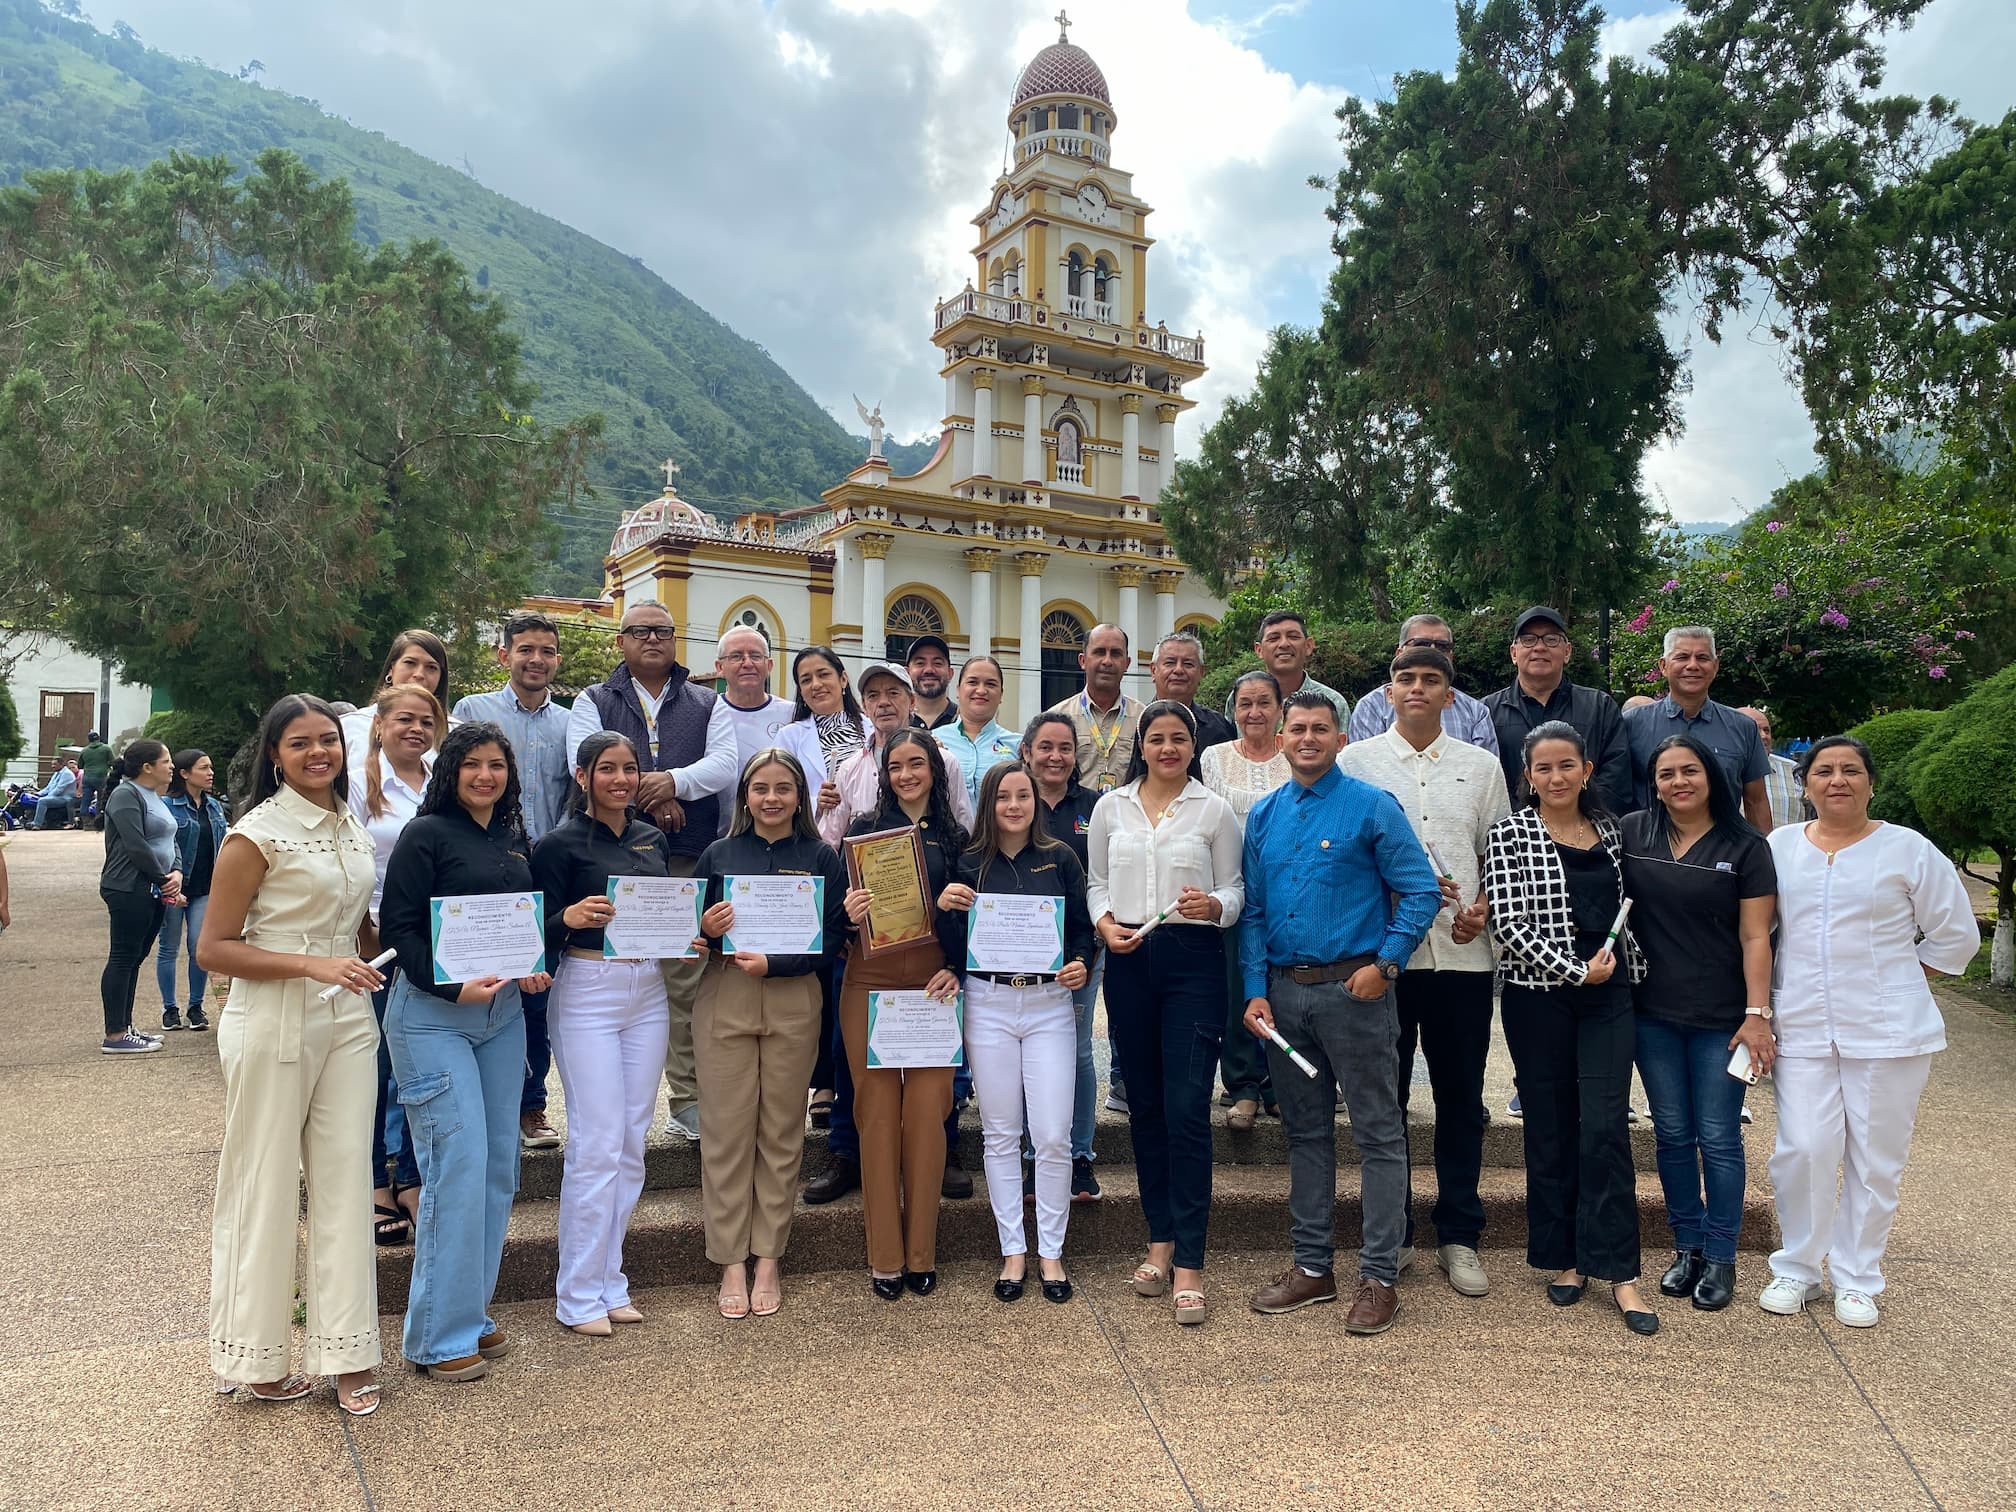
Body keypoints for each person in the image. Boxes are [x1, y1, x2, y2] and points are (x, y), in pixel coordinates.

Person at [197, 695, 386, 1415]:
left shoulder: (352, 827)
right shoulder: (255, 834)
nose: (318, 753)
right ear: (275, 754)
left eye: (328, 740)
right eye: (300, 742)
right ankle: (254, 1356)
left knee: (345, 1181)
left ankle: (348, 1354)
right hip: (272, 1018)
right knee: (265, 1183)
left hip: (348, 1020)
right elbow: (214, 948)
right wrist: (313, 965)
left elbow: (359, 928)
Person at [1758, 734, 1978, 1329]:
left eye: (1851, 770)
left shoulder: (1907, 849)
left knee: (1875, 1159)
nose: (1838, 780)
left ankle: (1857, 1278)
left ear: (1871, 783)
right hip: (1802, 1023)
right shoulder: (1780, 847)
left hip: (1889, 1031)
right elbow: (1759, 928)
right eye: (1824, 771)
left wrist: (1904, 974)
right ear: (1805, 785)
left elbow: (1956, 934)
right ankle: (1798, 1268)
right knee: (1803, 1148)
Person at [1239, 692, 1442, 1334]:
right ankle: (1312, 1267)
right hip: (1285, 998)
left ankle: (1380, 1276)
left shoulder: (1373, 806)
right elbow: (1254, 912)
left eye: (1320, 728)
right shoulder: (1265, 815)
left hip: (1355, 994)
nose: (1307, 738)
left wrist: (1386, 965)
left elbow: (1421, 890)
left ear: (1340, 737)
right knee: (1305, 1134)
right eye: (1296, 728)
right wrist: (1254, 989)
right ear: (1280, 737)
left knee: (1378, 1132)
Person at [378, 722, 555, 1380]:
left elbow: (518, 924)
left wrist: (531, 964)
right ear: (450, 770)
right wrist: (452, 988)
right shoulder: (424, 835)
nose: (486, 775)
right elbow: (399, 930)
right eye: (473, 764)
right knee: (457, 1164)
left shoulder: (510, 836)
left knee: (498, 1167)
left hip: (501, 1015)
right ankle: (437, 1335)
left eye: (497, 765)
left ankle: (469, 1312)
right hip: (434, 1018)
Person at [1338, 648, 1512, 1298]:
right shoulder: (1357, 763)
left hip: (1462, 958)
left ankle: (1459, 1234)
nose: (1417, 688)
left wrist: (1483, 909)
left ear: (1449, 696)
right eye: (1405, 679)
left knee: (1460, 1099)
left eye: (1430, 680)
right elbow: (1347, 858)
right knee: (1385, 1102)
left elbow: (1500, 855)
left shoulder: (1481, 766)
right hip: (1387, 960)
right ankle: (1396, 1232)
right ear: (1388, 692)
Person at [1484, 720, 1656, 1335]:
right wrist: (1573, 969)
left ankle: (1620, 1269)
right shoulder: (1509, 833)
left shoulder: (1612, 830)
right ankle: (1567, 1259)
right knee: (1551, 1126)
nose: (1556, 777)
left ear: (1586, 770)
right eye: (1543, 768)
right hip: (1539, 996)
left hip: (1609, 993)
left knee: (1605, 1125)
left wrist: (1604, 970)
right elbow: (1507, 923)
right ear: (1528, 777)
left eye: (1567, 765)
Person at [1088, 701, 1243, 1325]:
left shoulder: (1214, 810)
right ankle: (1159, 1239)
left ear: (1193, 745)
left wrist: (1215, 905)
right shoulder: (1111, 807)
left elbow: (1236, 890)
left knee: (1186, 1110)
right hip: (1128, 959)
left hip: (1193, 962)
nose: (1168, 748)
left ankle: (1191, 1262)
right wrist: (1104, 926)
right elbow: (1096, 883)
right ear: (1142, 745)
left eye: (1179, 738)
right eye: (1157, 739)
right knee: (1146, 1108)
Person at [566, 601, 738, 1144]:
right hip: (612, 858)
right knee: (625, 974)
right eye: (640, 631)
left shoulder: (707, 700)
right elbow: (583, 762)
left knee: (684, 980)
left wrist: (674, 782)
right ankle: (615, 1099)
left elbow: (724, 764)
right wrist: (652, 795)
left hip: (685, 856)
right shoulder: (593, 699)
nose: (653, 639)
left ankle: (687, 1100)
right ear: (621, 641)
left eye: (663, 631)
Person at [805, 663, 975, 1202]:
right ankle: (847, 1154)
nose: (883, 701)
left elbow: (965, 852)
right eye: (873, 693)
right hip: (867, 950)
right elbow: (832, 855)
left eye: (893, 692)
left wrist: (954, 951)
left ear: (910, 699)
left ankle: (941, 1150)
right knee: (851, 1056)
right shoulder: (851, 778)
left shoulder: (946, 773)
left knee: (934, 1059)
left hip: (930, 955)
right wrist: (846, 913)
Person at [1620, 733, 1777, 1312]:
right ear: (1654, 784)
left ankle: (1722, 1254)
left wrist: (1758, 1015)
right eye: (1666, 774)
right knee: (1671, 1133)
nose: (1678, 782)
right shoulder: (1633, 833)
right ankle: (1686, 1245)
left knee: (1718, 1136)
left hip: (1722, 1019)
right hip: (1651, 1013)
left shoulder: (1746, 845)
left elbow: (1756, 936)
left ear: (1711, 775)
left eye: (1689, 770)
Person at [695, 748, 852, 1317]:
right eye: (760, 788)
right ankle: (730, 1260)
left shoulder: (821, 856)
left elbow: (833, 938)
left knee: (781, 1133)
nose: (771, 798)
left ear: (799, 796)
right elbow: (690, 936)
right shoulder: (718, 853)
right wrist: (705, 928)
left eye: (783, 788)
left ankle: (768, 1257)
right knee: (726, 1133)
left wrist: (778, 963)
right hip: (726, 993)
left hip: (793, 998)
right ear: (745, 795)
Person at [529, 732, 673, 1335]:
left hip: (649, 989)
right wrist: (565, 917)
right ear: (583, 776)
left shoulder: (652, 838)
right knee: (597, 1141)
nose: (620, 779)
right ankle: (578, 1293)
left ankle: (611, 1280)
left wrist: (686, 933)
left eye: (629, 768)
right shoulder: (556, 844)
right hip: (587, 989)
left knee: (632, 1141)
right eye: (607, 769)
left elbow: (663, 912)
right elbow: (531, 925)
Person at [938, 762, 1095, 1304]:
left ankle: (1051, 1250)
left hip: (1049, 1004)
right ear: (988, 803)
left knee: (1051, 1134)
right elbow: (952, 944)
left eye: (1022, 795)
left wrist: (1080, 963)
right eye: (1003, 796)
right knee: (1001, 1133)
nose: (1013, 805)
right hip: (989, 1003)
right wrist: (945, 909)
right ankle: (1013, 1250)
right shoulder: (967, 863)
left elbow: (1082, 932)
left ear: (1035, 801)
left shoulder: (1061, 858)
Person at [838, 730, 968, 1297]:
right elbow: (835, 922)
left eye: (917, 763)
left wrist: (957, 965)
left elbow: (975, 920)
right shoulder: (864, 832)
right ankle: (885, 1257)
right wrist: (847, 912)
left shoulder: (959, 839)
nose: (907, 774)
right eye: (896, 766)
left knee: (926, 1114)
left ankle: (921, 1254)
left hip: (933, 985)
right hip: (870, 980)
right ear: (884, 775)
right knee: (875, 1115)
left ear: (935, 770)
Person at [454, 610, 575, 1152]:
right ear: (504, 655)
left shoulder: (570, 722)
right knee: (480, 979)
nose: (536, 660)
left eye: (546, 651)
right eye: (526, 649)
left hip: (543, 873)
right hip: (482, 867)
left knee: (536, 989)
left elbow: (574, 795)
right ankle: (482, 1102)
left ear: (557, 659)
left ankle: (531, 1106)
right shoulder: (471, 711)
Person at [348, 683, 444, 1248]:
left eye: (426, 722)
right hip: (376, 943)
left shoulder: (441, 780)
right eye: (405, 719)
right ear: (380, 725)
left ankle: (409, 1176)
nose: (416, 729)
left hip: (433, 943)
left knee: (417, 1064)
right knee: (375, 1065)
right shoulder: (358, 782)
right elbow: (349, 864)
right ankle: (371, 1183)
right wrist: (365, 934)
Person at [1200, 669, 1292, 1131]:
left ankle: (1281, 1085)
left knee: (1285, 989)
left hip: (1290, 888)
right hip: (1233, 888)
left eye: (1263, 703)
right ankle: (1243, 1086)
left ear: (1280, 709)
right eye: (1245, 704)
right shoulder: (1213, 757)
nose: (1254, 712)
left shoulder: (1296, 753)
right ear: (1233, 711)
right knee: (1239, 986)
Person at [1021, 711, 1105, 1200]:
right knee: (1026, 1055)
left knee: (1076, 1051)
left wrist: (1089, 949)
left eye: (1065, 748)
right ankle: (1033, 1157)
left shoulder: (1097, 807)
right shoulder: (1011, 801)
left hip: (1079, 953)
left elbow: (1104, 881)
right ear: (1027, 752)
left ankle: (1080, 1156)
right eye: (1045, 747)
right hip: (1018, 955)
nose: (1055, 757)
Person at [1482, 607, 1632, 814]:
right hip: (1510, 829)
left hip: (1587, 828)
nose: (1539, 647)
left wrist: (1573, 819)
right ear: (1514, 653)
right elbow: (1483, 782)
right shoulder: (1487, 713)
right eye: (1528, 640)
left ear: (1567, 651)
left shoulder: (1600, 707)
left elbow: (1616, 780)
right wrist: (1524, 822)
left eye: (1551, 639)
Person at [1621, 627, 1771, 829]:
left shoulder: (1743, 727)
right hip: (1649, 845)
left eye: (1702, 658)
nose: (1692, 665)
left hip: (1723, 844)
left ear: (1715, 666)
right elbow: (1617, 795)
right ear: (1663, 666)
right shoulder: (1631, 724)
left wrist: (1763, 847)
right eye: (1682, 657)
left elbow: (1756, 801)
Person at [97, 741, 180, 1054]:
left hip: (153, 887)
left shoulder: (154, 796)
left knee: (135, 958)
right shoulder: (125, 795)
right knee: (122, 957)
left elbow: (170, 839)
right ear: (147, 767)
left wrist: (177, 872)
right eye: (166, 760)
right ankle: (115, 1034)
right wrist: (163, 879)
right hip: (128, 887)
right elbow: (136, 845)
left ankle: (126, 1027)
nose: (171, 766)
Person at [1346, 616, 1501, 755]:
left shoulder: (1476, 712)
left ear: (1451, 656)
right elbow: (1364, 766)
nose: (1432, 651)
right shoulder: (1371, 707)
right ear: (1399, 654)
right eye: (1421, 644)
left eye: (1442, 646)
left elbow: (1481, 770)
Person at [158, 749, 227, 1033]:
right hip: (173, 887)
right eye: (204, 768)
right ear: (185, 773)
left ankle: (196, 1007)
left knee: (199, 947)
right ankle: (170, 1008)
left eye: (211, 767)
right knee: (169, 947)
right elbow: (160, 847)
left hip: (205, 888)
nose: (210, 773)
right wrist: (167, 884)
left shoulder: (214, 807)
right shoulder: (166, 806)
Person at [712, 626, 799, 836]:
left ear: (769, 665)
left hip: (783, 835)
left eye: (755, 656)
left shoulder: (792, 714)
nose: (747, 663)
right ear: (719, 667)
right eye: (736, 656)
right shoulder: (707, 711)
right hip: (719, 836)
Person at [1050, 625, 1147, 794]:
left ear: (1127, 663)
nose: (1107, 661)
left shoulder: (1144, 719)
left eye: (1116, 653)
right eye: (1099, 652)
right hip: (1074, 810)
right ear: (1083, 661)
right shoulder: (1056, 718)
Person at [341, 629, 454, 770]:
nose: (419, 674)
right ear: (391, 668)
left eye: (431, 667)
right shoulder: (349, 726)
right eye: (410, 663)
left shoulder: (455, 732)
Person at [1221, 611, 1349, 727]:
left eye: (1293, 637)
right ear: (1259, 650)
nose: (1284, 644)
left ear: (1308, 646)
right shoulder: (1241, 698)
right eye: (1274, 638)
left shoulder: (1334, 702)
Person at [783, 644, 867, 799]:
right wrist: (816, 803)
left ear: (843, 679)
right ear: (800, 691)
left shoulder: (872, 728)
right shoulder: (789, 737)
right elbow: (779, 791)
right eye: (806, 680)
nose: (816, 684)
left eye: (823, 675)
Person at [937, 655, 1020, 812]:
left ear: (1001, 695)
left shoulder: (1018, 745)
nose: (981, 690)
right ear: (958, 690)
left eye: (990, 684)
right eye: (972, 682)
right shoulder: (933, 740)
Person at [1148, 631, 1235, 750]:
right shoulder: (1136, 723)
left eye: (1188, 664)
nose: (1178, 670)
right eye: (1170, 663)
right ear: (1153, 670)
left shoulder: (1219, 728)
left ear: (1201, 672)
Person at [1740, 705, 1806, 830]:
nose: (1764, 736)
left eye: (1767, 730)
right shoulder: (1712, 771)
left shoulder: (1795, 771)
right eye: (1755, 730)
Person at [904, 634, 960, 731]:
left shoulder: (964, 721)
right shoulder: (897, 721)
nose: (929, 670)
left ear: (950, 673)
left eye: (937, 663)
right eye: (920, 663)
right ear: (907, 673)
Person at [78, 731, 113, 826]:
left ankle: (85, 822)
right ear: (98, 738)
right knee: (100, 799)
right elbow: (112, 762)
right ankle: (98, 820)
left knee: (85, 800)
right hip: (101, 777)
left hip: (87, 778)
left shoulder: (84, 750)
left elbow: (80, 766)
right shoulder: (106, 748)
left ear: (89, 740)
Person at [31, 760, 80, 829]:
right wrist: (38, 794)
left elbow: (59, 789)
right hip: (57, 797)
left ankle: (37, 824)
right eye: (52, 764)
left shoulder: (67, 774)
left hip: (65, 798)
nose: (52, 766)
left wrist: (47, 797)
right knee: (35, 799)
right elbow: (48, 787)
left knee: (42, 801)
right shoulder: (56, 773)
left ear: (61, 765)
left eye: (55, 764)